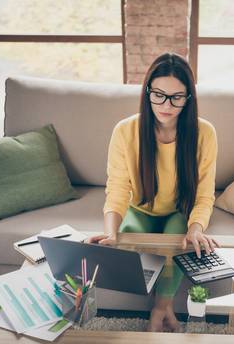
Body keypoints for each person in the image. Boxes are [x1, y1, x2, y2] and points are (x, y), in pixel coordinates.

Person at [87, 52, 219, 332]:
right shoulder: (126, 130)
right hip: (139, 209)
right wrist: (112, 233)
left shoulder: (205, 132)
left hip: (177, 211)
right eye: (158, 94)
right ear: (147, 92)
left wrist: (195, 228)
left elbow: (204, 195)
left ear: (188, 98)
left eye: (176, 97)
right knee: (124, 245)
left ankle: (161, 310)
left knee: (180, 243)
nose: (166, 105)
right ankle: (164, 312)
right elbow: (118, 188)